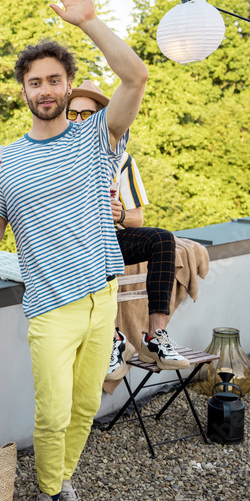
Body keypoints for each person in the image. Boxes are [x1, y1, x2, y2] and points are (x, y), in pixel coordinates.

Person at [0, 0, 147, 501]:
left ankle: (60, 480)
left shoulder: (98, 136)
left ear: (69, 86)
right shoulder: (7, 162)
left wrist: (88, 20)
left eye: (54, 80)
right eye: (34, 81)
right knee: (52, 412)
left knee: (85, 405)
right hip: (49, 305)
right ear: (23, 89)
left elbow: (136, 75)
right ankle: (48, 494)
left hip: (102, 297)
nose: (44, 88)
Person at [67, 80, 189, 373]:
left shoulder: (121, 159)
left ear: (100, 118)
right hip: (76, 244)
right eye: (73, 114)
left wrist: (120, 215)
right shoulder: (57, 156)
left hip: (113, 237)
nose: (79, 120)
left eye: (87, 114)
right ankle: (112, 339)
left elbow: (137, 218)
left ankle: (154, 338)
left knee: (163, 239)